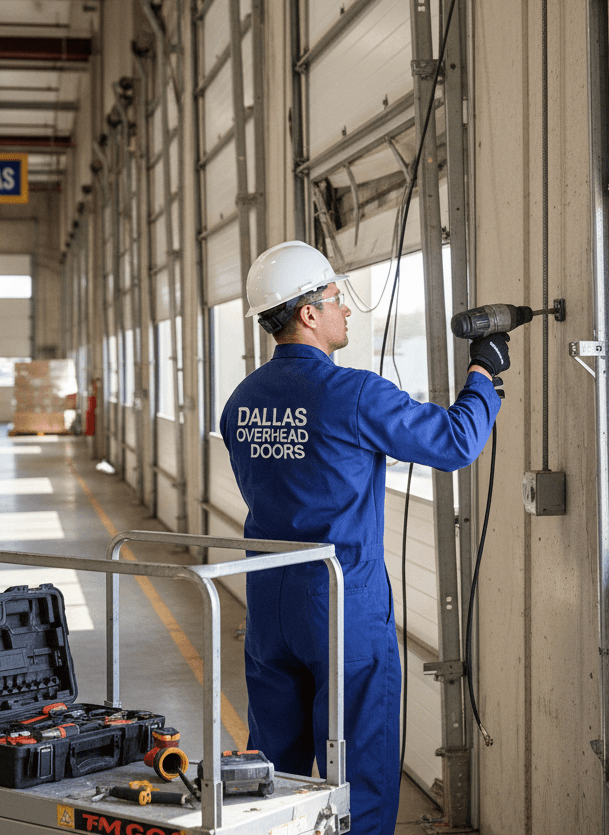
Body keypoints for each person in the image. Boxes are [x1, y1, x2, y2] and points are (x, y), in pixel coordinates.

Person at [220, 240, 507, 835]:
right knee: (360, 774)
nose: (345, 310)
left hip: (269, 601)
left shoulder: (242, 401)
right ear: (307, 314)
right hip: (341, 604)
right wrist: (484, 374)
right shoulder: (351, 394)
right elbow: (454, 443)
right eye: (335, 299)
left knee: (275, 772)